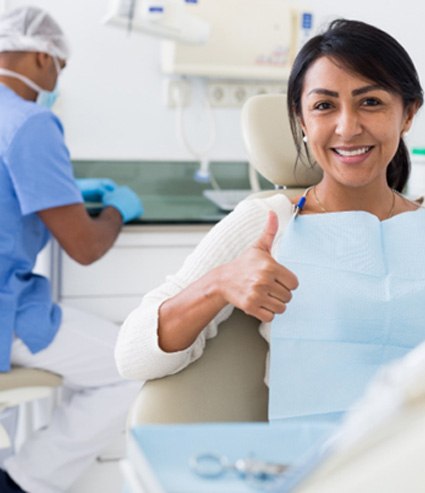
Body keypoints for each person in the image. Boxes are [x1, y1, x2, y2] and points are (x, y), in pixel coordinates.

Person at [115, 18, 425, 464]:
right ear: (300, 120)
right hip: (317, 466)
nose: (347, 127)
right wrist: (220, 283)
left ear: (408, 113)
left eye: (370, 102)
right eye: (324, 106)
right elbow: (132, 356)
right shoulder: (269, 221)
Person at [0, 6, 143, 493]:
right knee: (130, 368)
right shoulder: (31, 121)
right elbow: (84, 247)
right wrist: (119, 210)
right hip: (7, 312)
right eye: (60, 65)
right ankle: (22, 481)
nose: (58, 78)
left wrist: (67, 189)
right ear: (42, 55)